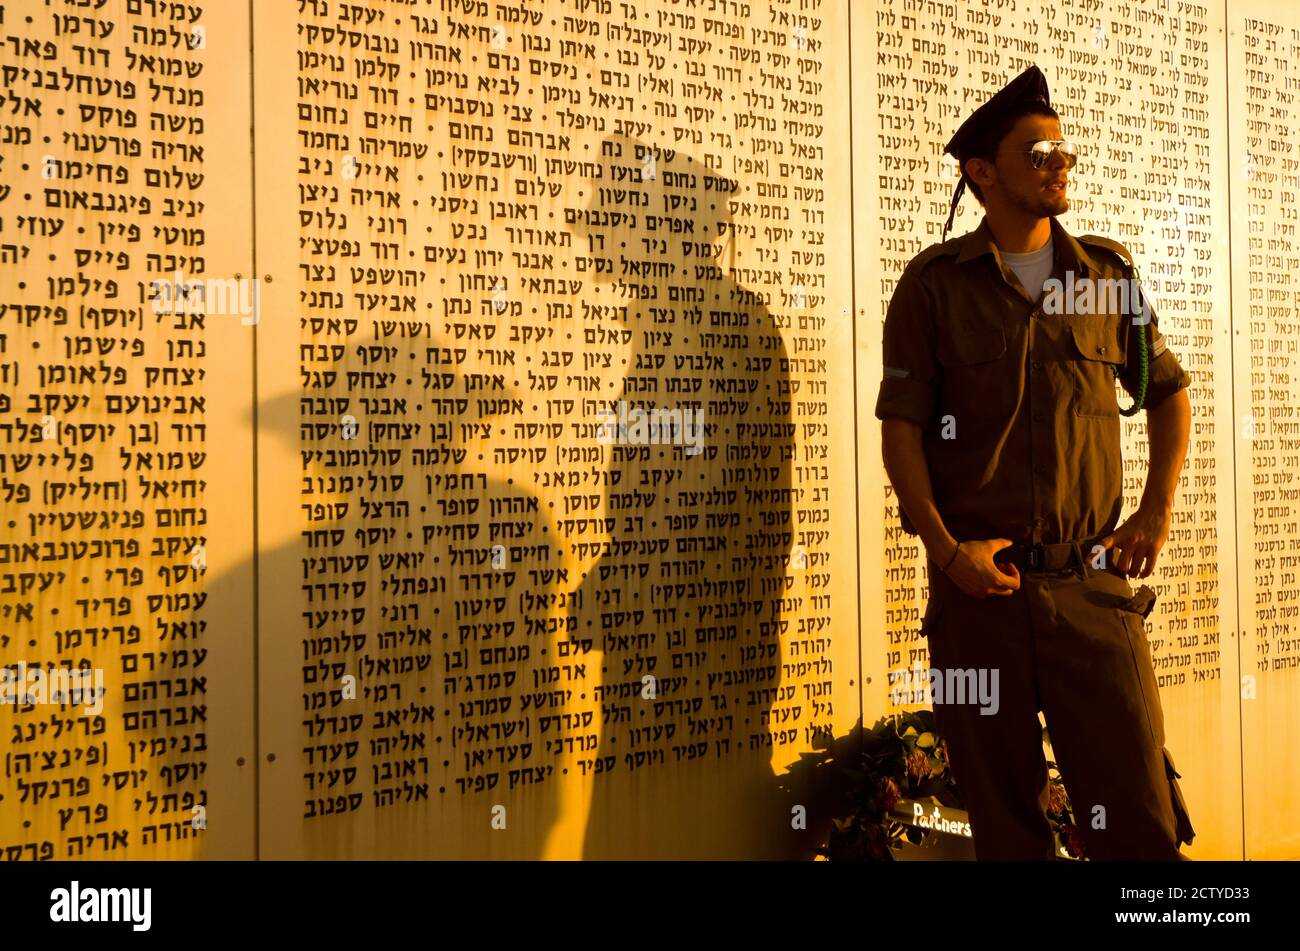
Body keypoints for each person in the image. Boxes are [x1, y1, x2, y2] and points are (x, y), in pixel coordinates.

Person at [875, 65, 1196, 859]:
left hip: (1093, 590)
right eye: (1037, 150)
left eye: (1062, 148)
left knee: (1138, 823)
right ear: (983, 173)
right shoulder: (933, 288)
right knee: (1005, 827)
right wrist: (947, 554)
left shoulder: (1105, 278)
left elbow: (1168, 392)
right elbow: (902, 433)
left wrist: (1154, 510)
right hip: (978, 600)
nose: (1061, 163)